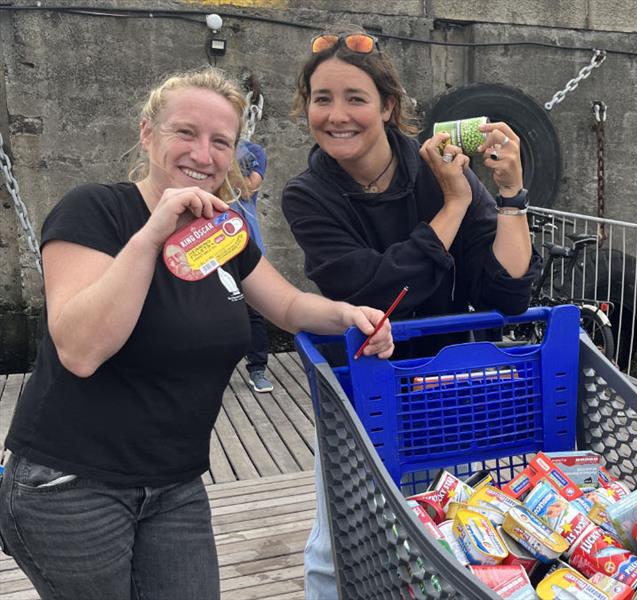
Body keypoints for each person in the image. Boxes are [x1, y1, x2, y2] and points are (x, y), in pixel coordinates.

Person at [0, 67, 393, 600]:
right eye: (185, 132)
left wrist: (350, 315)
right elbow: (80, 350)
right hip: (71, 485)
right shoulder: (95, 210)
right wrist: (154, 231)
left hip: (174, 484)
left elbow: (290, 305)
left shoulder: (221, 233)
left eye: (220, 142)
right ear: (148, 133)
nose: (202, 155)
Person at [281, 30, 537, 599]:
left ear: (387, 106)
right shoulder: (307, 195)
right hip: (362, 383)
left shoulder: (440, 167)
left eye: (355, 98)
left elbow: (506, 294)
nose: (337, 115)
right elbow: (376, 292)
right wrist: (454, 205)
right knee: (340, 543)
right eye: (322, 99)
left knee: (449, 535)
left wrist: (511, 193)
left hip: (446, 381)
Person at [234, 139, 273, 393]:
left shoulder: (254, 151)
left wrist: (228, 159)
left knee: (255, 310)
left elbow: (247, 189)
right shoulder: (203, 152)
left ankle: (257, 368)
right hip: (206, 244)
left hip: (247, 243)